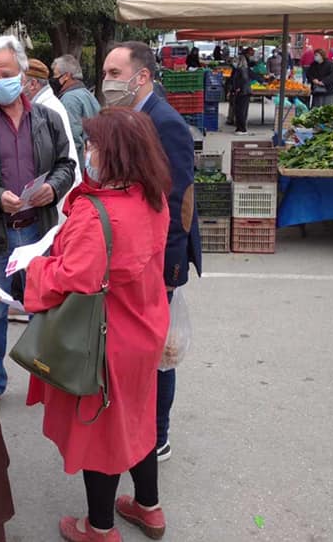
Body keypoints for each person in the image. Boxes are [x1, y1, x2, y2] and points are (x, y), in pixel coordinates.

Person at [25, 107, 172, 542]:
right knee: (139, 420)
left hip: (106, 339)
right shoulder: (153, 196)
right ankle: (149, 508)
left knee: (101, 435)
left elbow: (74, 279)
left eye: (92, 145)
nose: (87, 151)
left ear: (115, 154)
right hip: (145, 326)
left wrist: (35, 270)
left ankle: (100, 528)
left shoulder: (97, 213)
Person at [0, 35, 76, 399]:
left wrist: (53, 188)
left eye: (5, 72)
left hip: (38, 231)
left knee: (46, 311)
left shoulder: (49, 119)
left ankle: (48, 383)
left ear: (22, 75)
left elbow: (66, 164)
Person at [101, 41, 201, 463]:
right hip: (136, 258)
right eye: (106, 73)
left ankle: (158, 436)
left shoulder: (165, 122)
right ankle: (138, 426)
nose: (106, 82)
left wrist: (171, 270)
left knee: (161, 352)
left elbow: (179, 200)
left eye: (113, 74)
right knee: (142, 348)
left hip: (161, 260)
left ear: (141, 77)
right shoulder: (130, 116)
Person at [23, 58, 82, 217]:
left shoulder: (46, 110)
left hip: (54, 195)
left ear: (33, 84)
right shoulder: (47, 105)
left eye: (18, 81)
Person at [52, 54, 101, 161]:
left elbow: (71, 139)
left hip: (79, 165)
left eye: (55, 75)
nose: (53, 79)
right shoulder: (87, 94)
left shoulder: (69, 99)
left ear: (66, 76)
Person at [230, 47, 253, 134]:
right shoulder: (241, 69)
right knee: (240, 110)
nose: (234, 62)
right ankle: (240, 128)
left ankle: (242, 129)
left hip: (243, 92)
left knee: (240, 111)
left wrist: (237, 88)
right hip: (244, 92)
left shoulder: (242, 69)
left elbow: (243, 79)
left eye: (236, 61)